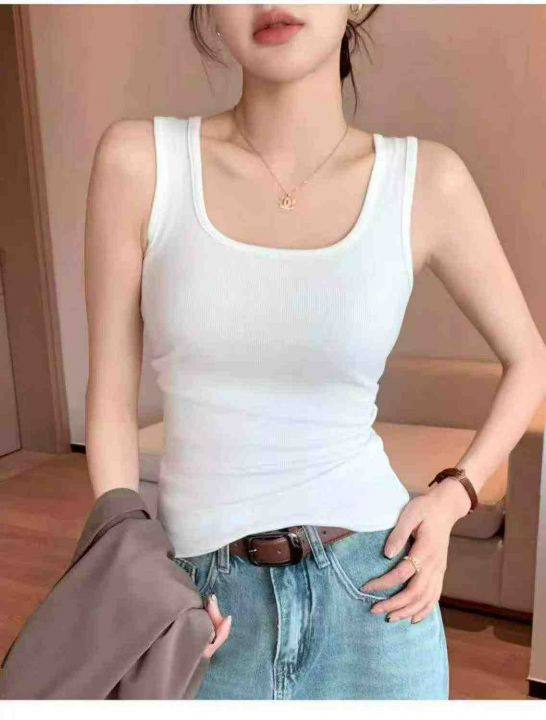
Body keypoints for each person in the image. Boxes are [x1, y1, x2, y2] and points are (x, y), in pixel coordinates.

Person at [84, 3, 546, 700]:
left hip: (376, 593)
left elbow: (530, 360)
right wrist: (131, 567)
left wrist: (455, 495)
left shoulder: (426, 180)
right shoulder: (139, 162)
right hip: (202, 605)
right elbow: (111, 401)